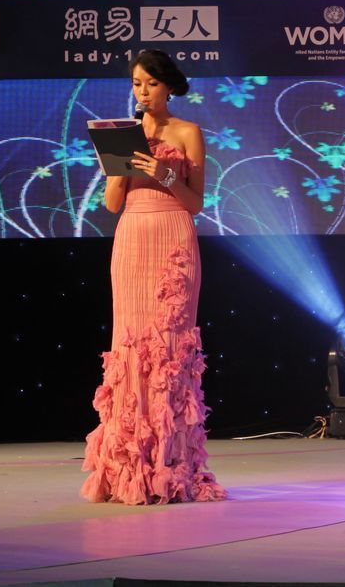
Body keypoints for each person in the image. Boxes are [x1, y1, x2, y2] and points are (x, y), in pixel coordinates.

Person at [81, 50, 226, 505]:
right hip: (133, 237)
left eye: (151, 83)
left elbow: (196, 202)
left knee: (170, 343)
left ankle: (172, 462)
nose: (142, 92)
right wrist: (119, 168)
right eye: (136, 84)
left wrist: (165, 175)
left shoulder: (188, 132)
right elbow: (111, 204)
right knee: (130, 343)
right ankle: (129, 466)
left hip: (173, 236)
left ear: (169, 86)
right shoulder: (123, 132)